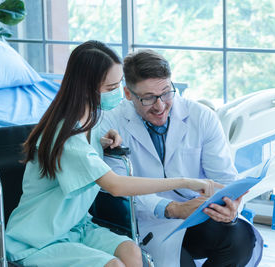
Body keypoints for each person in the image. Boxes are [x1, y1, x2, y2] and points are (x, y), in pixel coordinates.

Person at [4, 41, 220, 267]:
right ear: (87, 89)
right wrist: (185, 181)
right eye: (110, 88)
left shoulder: (92, 124)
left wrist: (105, 139)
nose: (119, 93)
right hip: (38, 239)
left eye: (118, 85)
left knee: (131, 252)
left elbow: (90, 147)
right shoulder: (66, 136)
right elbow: (116, 186)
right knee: (113, 265)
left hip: (77, 226)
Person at [100, 50, 264, 267]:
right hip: (149, 222)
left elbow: (225, 180)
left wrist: (231, 207)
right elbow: (119, 190)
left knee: (241, 239)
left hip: (198, 216)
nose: (160, 106)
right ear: (128, 94)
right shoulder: (110, 123)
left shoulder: (201, 117)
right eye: (148, 98)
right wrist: (172, 208)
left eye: (166, 93)